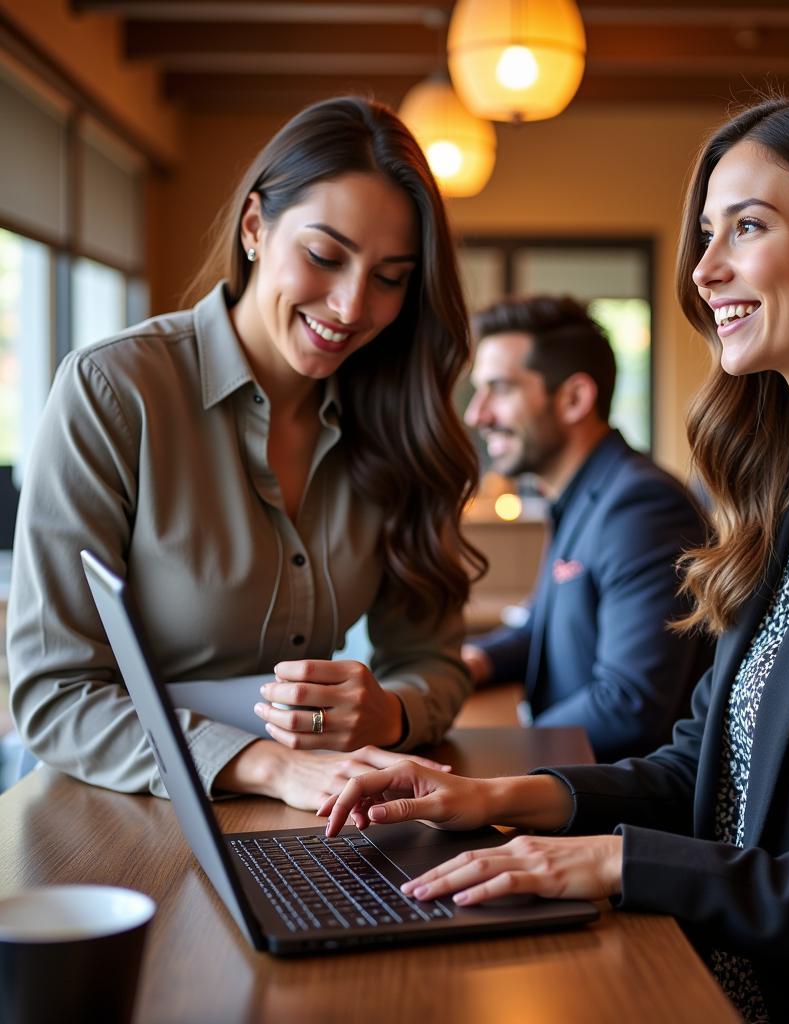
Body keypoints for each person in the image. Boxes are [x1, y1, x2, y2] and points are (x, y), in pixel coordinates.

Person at [317, 92, 789, 1022]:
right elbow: (702, 770)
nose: (704, 270)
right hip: (725, 966)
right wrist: (487, 795)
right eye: (704, 235)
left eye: (748, 226)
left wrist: (611, 860)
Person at [7, 97, 484, 810]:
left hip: (307, 813)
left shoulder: (397, 420)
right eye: (325, 256)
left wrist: (393, 711)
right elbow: (54, 693)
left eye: (390, 278)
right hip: (118, 813)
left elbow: (432, 662)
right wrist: (264, 765)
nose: (353, 306)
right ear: (256, 226)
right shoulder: (114, 389)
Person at [460, 296, 711, 760]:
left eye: (499, 388)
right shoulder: (582, 497)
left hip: (621, 811)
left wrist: (495, 759)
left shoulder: (639, 507)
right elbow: (540, 626)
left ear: (574, 398)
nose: (477, 414)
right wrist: (470, 663)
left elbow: (628, 706)